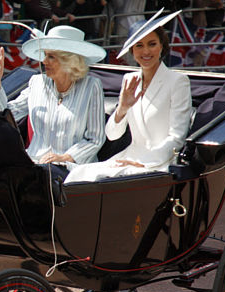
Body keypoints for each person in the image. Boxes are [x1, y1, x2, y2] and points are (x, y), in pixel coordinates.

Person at [65, 11, 193, 182]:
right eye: (139, 45)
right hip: (129, 157)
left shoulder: (178, 81)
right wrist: (123, 108)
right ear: (132, 51)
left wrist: (144, 162)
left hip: (159, 162)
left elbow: (177, 138)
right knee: (78, 174)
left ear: (162, 46)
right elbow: (112, 135)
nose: (146, 51)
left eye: (152, 44)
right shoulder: (129, 79)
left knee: (100, 179)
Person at [0, 24, 107, 176]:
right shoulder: (37, 83)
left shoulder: (91, 87)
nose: (44, 61)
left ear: (69, 61)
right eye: (44, 55)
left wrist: (64, 158)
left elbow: (95, 138)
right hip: (35, 163)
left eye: (51, 56)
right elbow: (8, 115)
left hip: (73, 169)